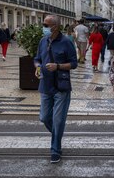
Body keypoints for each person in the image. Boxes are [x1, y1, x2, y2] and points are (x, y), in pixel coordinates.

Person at [34, 15, 78, 164]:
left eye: (46, 25)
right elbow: (37, 58)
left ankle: (55, 150)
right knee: (44, 117)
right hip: (45, 85)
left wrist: (57, 66)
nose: (44, 27)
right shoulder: (42, 41)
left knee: (58, 120)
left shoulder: (66, 42)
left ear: (55, 27)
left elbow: (74, 63)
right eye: (43, 24)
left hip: (61, 86)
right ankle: (57, 136)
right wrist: (37, 67)